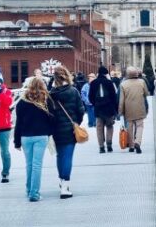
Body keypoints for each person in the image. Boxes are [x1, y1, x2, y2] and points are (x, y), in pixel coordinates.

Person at [47, 65, 85, 199]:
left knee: (60, 156)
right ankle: (65, 186)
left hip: (56, 130)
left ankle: (61, 181)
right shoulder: (73, 91)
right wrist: (76, 123)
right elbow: (81, 110)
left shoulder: (50, 94)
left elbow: (49, 114)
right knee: (68, 156)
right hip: (70, 129)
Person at [14, 77, 52, 202]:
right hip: (41, 136)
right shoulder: (46, 101)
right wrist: (49, 132)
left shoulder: (21, 103)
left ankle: (29, 189)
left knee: (29, 165)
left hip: (25, 137)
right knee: (37, 165)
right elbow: (52, 119)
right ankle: (34, 193)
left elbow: (18, 123)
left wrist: (17, 141)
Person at [119, 66, 149, 154]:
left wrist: (120, 111)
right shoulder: (142, 82)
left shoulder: (123, 84)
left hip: (128, 109)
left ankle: (131, 146)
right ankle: (137, 142)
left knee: (130, 127)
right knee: (140, 126)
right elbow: (146, 93)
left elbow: (121, 100)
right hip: (140, 108)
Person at [88, 66, 118, 153]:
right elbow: (114, 97)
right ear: (106, 74)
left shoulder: (93, 83)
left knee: (99, 128)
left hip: (98, 108)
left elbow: (90, 97)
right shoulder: (109, 82)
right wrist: (115, 109)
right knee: (109, 126)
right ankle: (109, 144)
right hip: (108, 108)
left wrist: (95, 104)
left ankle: (101, 146)